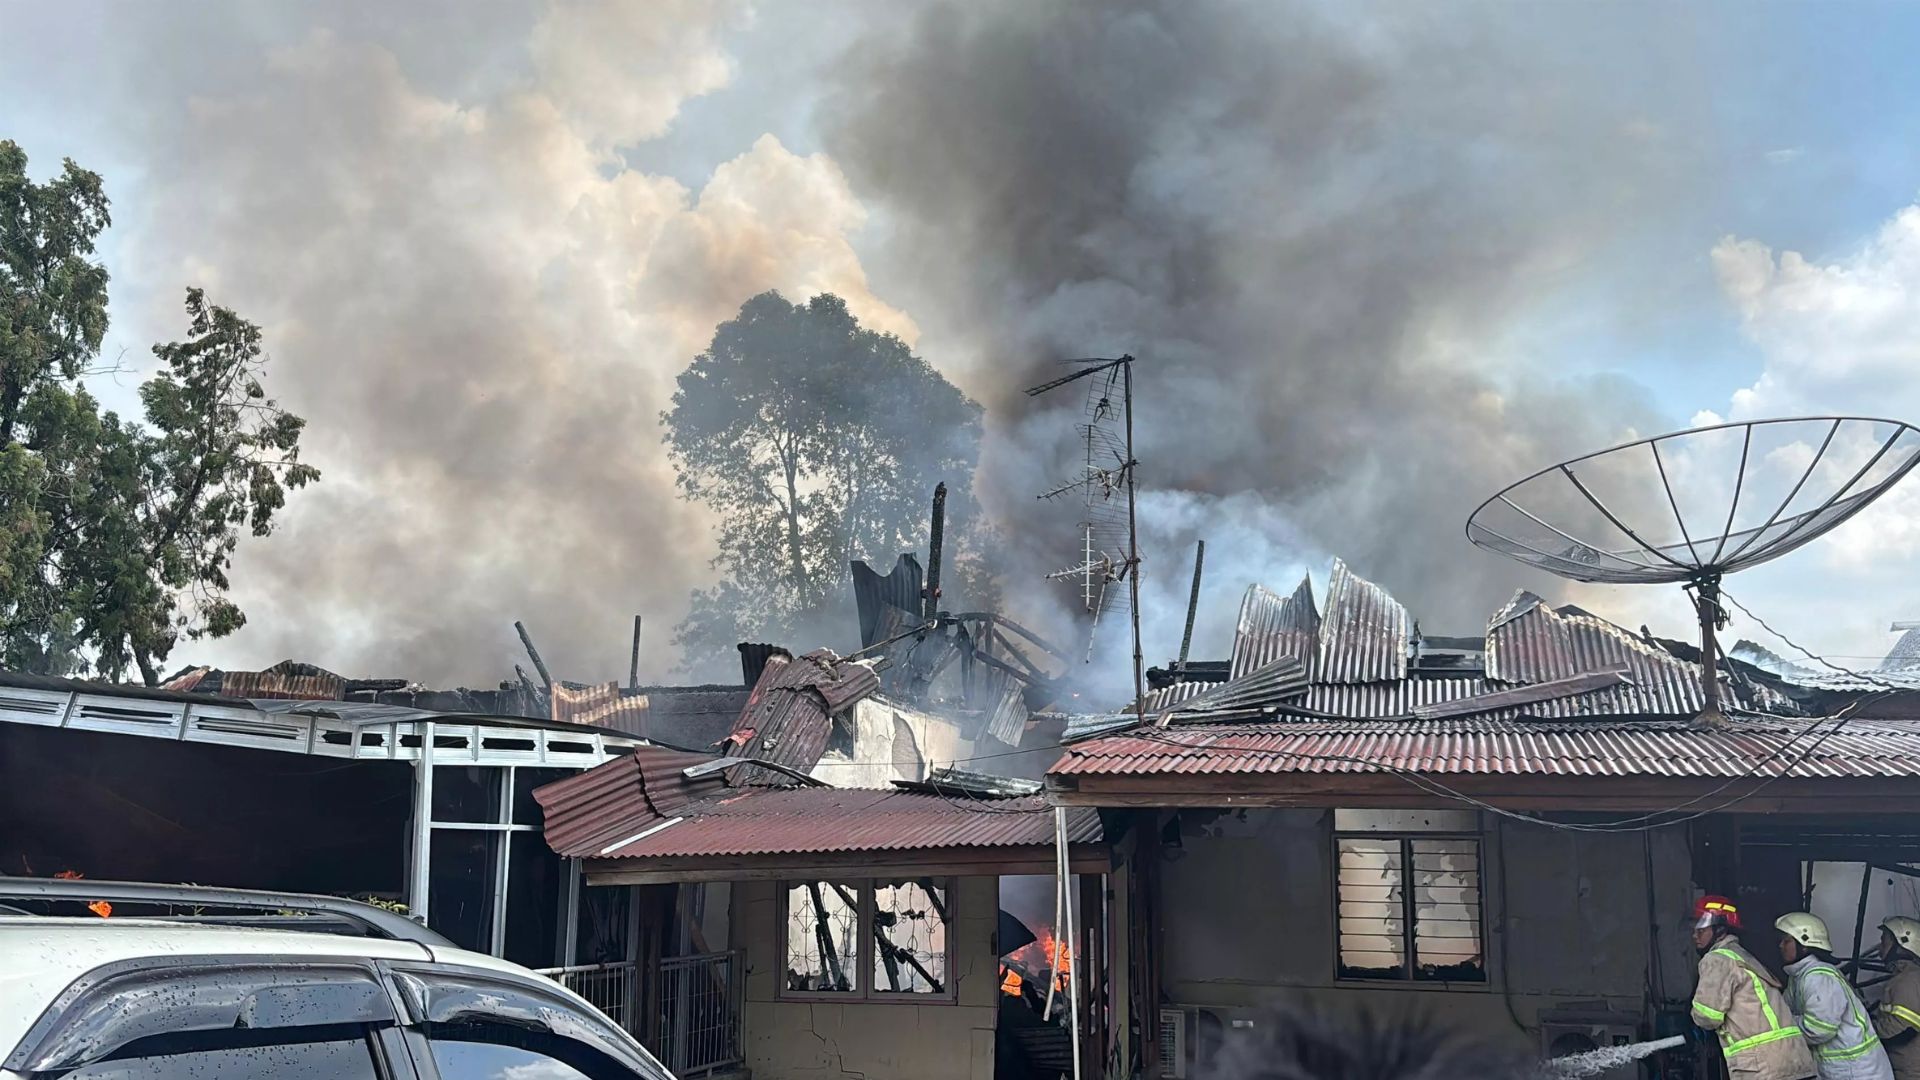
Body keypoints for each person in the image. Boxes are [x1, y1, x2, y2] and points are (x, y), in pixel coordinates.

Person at [1691, 895, 1816, 1080]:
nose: (1695, 934)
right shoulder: (1742, 956)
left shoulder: (1717, 959)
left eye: (1701, 929)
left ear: (1720, 930)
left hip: (1763, 1066)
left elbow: (1707, 1016)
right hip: (1792, 1060)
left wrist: (1692, 1022)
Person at [1774, 912, 1892, 1080]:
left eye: (1786, 941)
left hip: (1858, 1071)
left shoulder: (1819, 978)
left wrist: (1785, 1023)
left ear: (1804, 945)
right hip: (1842, 1069)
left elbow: (1820, 1029)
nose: (1780, 946)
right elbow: (1782, 1008)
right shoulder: (1799, 977)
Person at [1872, 916, 1920, 1080]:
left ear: (1903, 944)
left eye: (1884, 941)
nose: (1880, 947)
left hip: (1909, 1071)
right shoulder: (1906, 977)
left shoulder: (1907, 981)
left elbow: (1903, 1029)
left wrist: (1867, 1032)